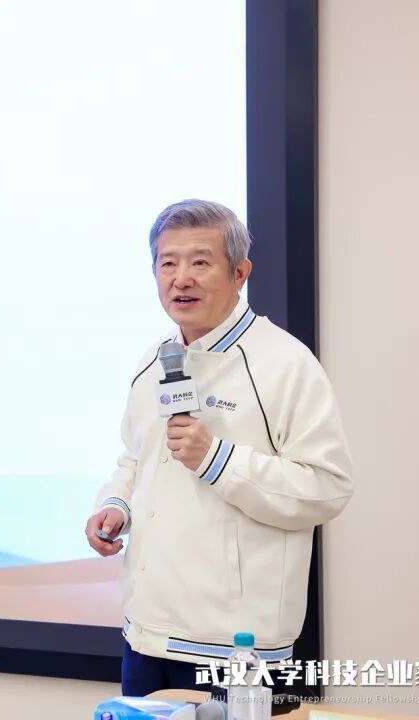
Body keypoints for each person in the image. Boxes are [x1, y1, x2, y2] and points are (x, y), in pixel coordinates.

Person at [85, 199, 354, 697]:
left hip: (235, 651)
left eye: (200, 262)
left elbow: (327, 488)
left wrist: (216, 459)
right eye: (168, 263)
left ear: (240, 273)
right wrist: (116, 505)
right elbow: (135, 459)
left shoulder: (284, 364)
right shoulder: (154, 360)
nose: (181, 278)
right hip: (145, 637)